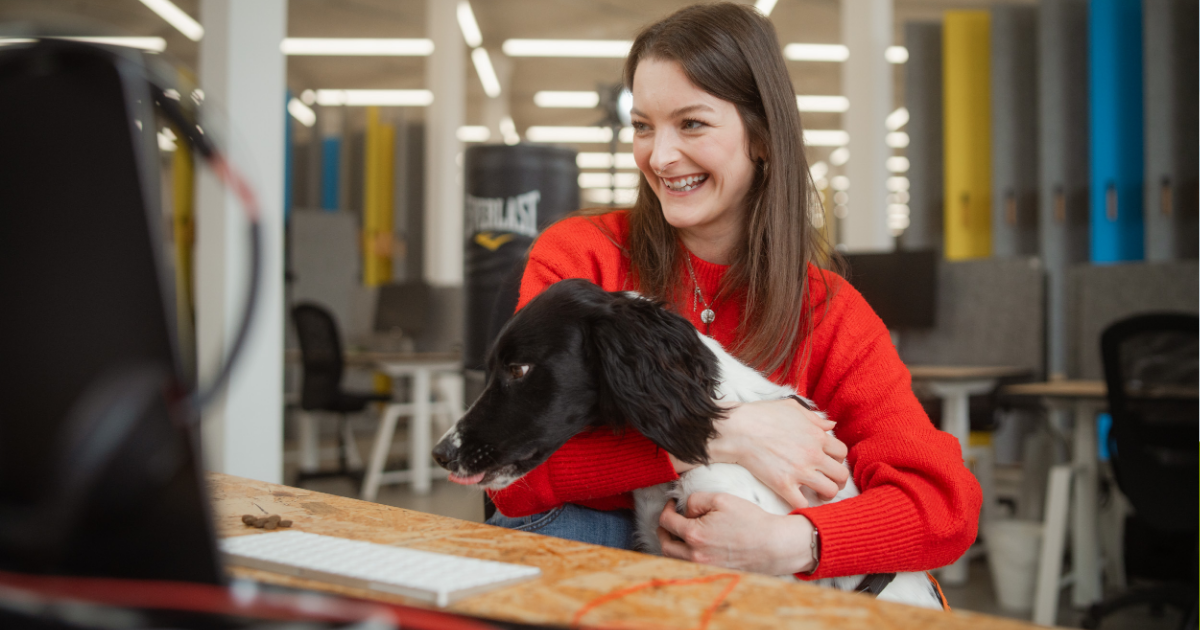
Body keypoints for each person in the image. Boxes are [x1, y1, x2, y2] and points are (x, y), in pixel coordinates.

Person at [486, 2, 981, 581]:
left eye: (691, 123)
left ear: (763, 138)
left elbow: (946, 506)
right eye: (644, 125)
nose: (660, 155)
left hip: (756, 577)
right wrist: (721, 433)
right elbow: (513, 471)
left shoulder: (828, 311)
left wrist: (793, 544)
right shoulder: (583, 258)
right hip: (595, 562)